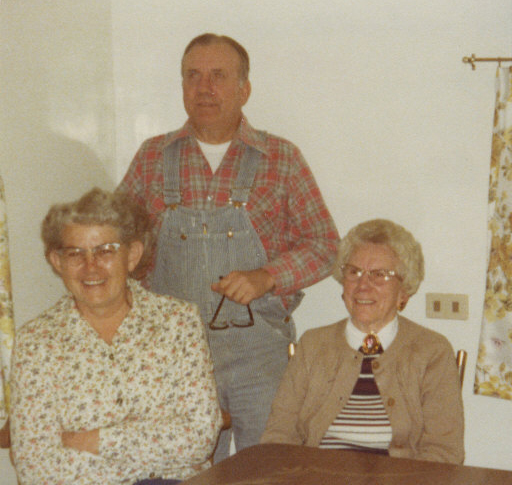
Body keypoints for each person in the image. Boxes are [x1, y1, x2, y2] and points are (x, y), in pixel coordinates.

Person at [117, 33, 339, 461]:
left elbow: (327, 245)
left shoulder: (281, 157)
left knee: (270, 468)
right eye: (193, 76)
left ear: (244, 88)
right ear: (182, 86)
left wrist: (267, 277)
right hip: (172, 357)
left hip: (260, 353)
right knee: (187, 471)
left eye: (219, 76)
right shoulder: (152, 157)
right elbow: (116, 246)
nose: (204, 87)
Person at [10, 188, 222, 485]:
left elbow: (199, 438)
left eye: (105, 250)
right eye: (75, 253)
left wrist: (95, 440)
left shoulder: (178, 322)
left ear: (132, 255)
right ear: (57, 262)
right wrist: (147, 456)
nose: (90, 266)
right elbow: (35, 468)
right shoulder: (36, 341)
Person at [261, 219, 465, 464]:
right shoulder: (312, 345)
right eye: (354, 272)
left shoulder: (432, 351)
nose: (363, 286)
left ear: (404, 290)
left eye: (380, 275)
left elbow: (443, 451)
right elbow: (278, 435)